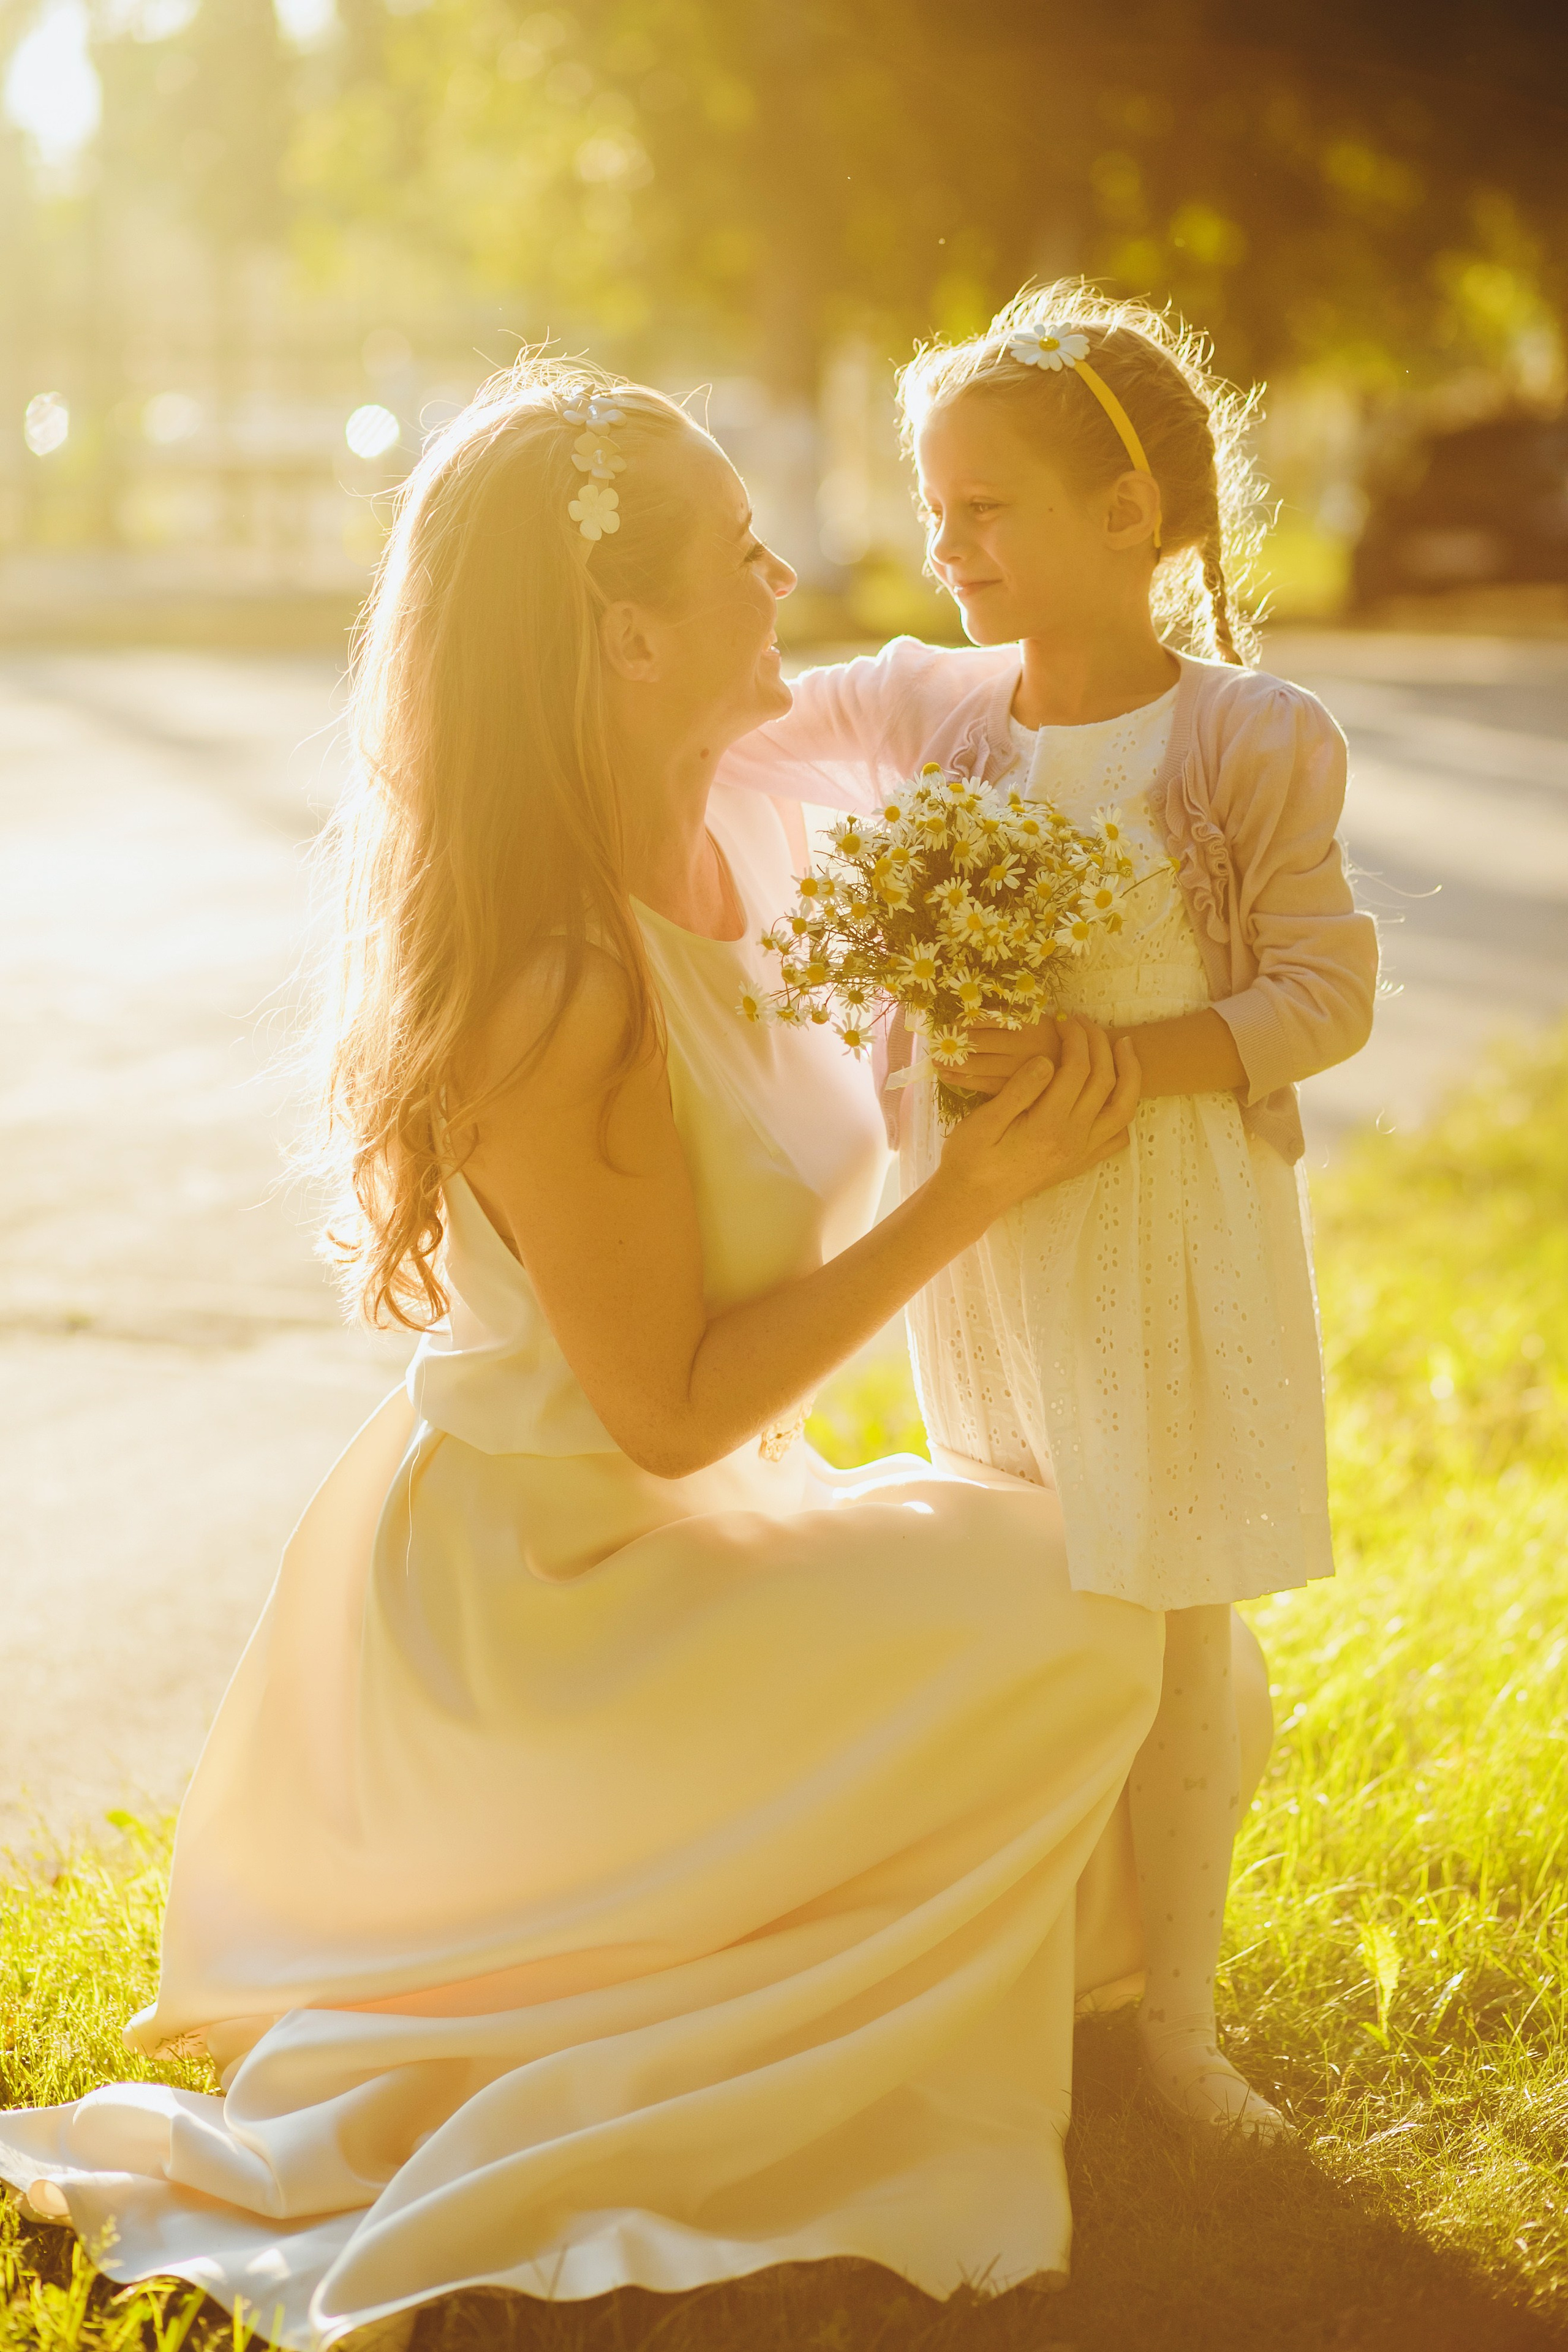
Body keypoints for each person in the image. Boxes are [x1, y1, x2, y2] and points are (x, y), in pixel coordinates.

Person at [0, 359, 1271, 2351]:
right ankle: (719, 2013)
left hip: (687, 1536)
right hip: (551, 1608)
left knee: (1139, 1598)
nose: (792, 578)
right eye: (744, 554)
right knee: (1085, 1608)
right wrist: (971, 1195)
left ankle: (950, 1977)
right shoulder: (552, 981)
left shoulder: (742, 855)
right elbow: (665, 1403)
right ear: (628, 633)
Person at [719, 283, 1378, 2136]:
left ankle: (1174, 2024)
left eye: (986, 507)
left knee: (1172, 1625)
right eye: (935, 509)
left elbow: (1326, 996)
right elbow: (730, 747)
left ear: (1133, 518)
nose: (948, 545)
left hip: (1166, 1234)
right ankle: (1031, 1961)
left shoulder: (1252, 736)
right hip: (991, 1246)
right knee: (1027, 1599)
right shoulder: (927, 702)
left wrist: (1129, 1069)